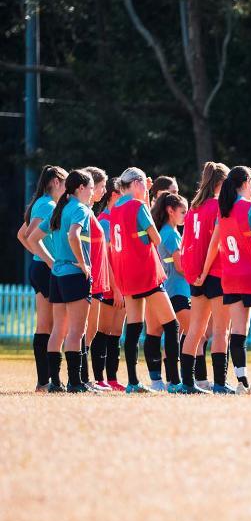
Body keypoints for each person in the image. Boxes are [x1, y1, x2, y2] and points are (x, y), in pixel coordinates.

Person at [197, 166, 251, 394]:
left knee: (238, 332)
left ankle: (242, 384)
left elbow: (214, 245)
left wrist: (204, 272)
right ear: (246, 182)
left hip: (231, 279)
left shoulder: (223, 210)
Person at [107, 167, 185, 394]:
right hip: (146, 271)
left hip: (127, 274)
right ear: (136, 183)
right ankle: (175, 381)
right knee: (172, 325)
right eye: (142, 183)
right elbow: (156, 237)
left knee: (133, 328)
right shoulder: (137, 205)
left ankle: (133, 382)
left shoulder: (116, 208)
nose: (145, 188)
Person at [28, 169, 95, 392]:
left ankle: (55, 382)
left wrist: (52, 260)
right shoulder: (79, 209)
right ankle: (75, 382)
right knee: (77, 330)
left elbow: (33, 238)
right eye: (91, 188)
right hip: (74, 276)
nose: (93, 193)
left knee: (58, 330)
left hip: (56, 276)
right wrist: (83, 263)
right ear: (81, 188)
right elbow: (73, 235)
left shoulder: (60, 208)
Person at [182, 162, 234, 394]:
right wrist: (205, 270)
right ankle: (220, 384)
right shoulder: (218, 206)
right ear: (221, 183)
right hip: (216, 273)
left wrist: (196, 273)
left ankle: (187, 383)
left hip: (196, 276)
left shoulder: (193, 208)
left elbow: (188, 243)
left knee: (195, 330)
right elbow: (217, 242)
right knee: (221, 331)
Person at [17, 165, 67, 391]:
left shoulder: (41, 203)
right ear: (56, 182)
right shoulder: (47, 204)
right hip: (46, 270)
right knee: (53, 327)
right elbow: (29, 236)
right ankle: (47, 380)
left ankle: (43, 381)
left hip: (41, 269)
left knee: (46, 326)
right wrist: (48, 260)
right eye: (65, 182)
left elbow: (22, 235)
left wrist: (41, 258)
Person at [152, 193, 192, 392]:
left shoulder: (165, 231)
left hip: (171, 290)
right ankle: (187, 380)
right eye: (183, 211)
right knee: (195, 334)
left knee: (176, 336)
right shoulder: (171, 233)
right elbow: (181, 266)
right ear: (170, 211)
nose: (186, 215)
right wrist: (200, 273)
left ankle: (172, 379)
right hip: (178, 290)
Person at [80, 167, 112, 391]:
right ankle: (81, 378)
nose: (102, 190)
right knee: (85, 330)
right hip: (90, 277)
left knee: (91, 330)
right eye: (100, 187)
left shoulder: (90, 210)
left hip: (98, 277)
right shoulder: (81, 211)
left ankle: (85, 378)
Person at [94, 178, 127, 391]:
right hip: (109, 285)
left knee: (116, 333)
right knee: (103, 331)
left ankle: (112, 378)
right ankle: (98, 378)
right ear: (115, 195)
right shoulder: (104, 220)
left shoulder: (119, 219)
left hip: (122, 286)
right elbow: (107, 260)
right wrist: (115, 288)